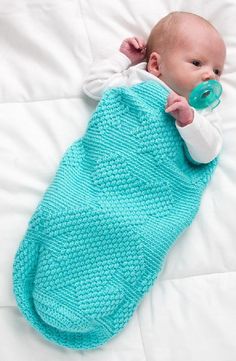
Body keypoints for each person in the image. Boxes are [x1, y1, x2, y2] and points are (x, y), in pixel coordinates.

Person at [83, 11, 226, 164]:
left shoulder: (203, 111)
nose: (211, 75)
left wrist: (190, 121)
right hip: (109, 158)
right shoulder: (139, 81)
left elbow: (207, 155)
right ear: (155, 65)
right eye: (197, 63)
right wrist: (123, 57)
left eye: (217, 71)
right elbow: (94, 85)